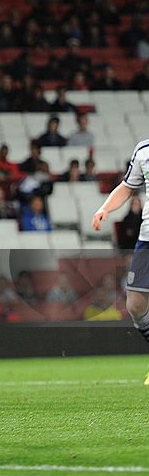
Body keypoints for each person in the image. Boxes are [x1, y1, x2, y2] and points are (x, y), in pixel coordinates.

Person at [92, 138, 149, 382]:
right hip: (147, 238)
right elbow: (127, 187)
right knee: (135, 304)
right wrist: (105, 208)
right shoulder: (143, 150)